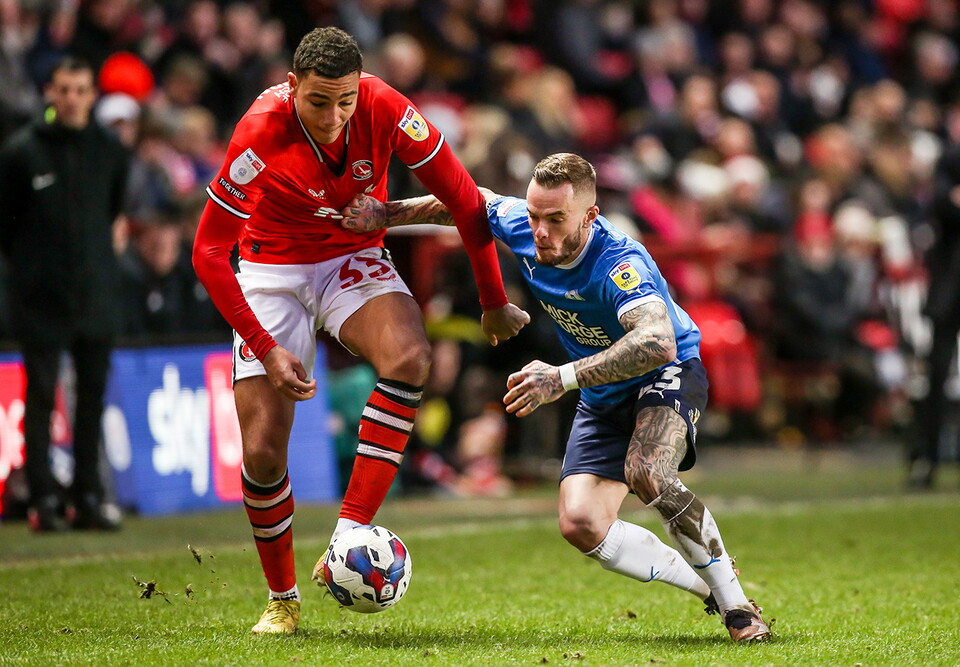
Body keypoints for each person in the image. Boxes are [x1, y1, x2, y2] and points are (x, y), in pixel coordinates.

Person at [341, 153, 772, 642]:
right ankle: (710, 587)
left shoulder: (618, 263)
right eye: (533, 215)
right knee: (581, 523)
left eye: (555, 219)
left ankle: (739, 611)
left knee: (647, 472)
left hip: (666, 373)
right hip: (600, 388)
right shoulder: (524, 226)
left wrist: (561, 378)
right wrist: (385, 213)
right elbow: (464, 202)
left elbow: (657, 343)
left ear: (590, 216)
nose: (539, 231)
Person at [191, 27, 528, 634]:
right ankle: (282, 600)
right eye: (319, 101)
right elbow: (210, 252)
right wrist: (266, 350)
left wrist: (493, 299)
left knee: (410, 357)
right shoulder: (260, 131)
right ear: (292, 87)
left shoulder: (388, 108)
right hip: (271, 270)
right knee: (265, 452)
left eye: (345, 100)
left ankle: (349, 533)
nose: (334, 115)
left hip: (351, 258)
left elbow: (464, 199)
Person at [0, 56, 129, 532]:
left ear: (92, 95)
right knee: (40, 397)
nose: (71, 98)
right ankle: (42, 500)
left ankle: (88, 496)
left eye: (80, 90)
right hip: (41, 299)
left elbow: (113, 210)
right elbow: (6, 227)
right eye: (63, 90)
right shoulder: (21, 152)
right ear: (49, 95)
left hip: (95, 295)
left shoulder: (111, 150)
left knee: (91, 398)